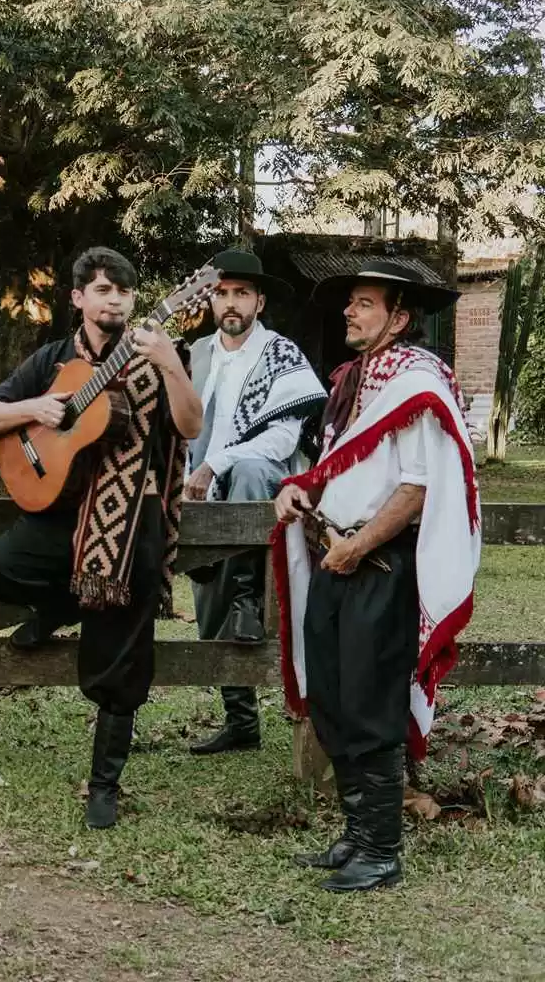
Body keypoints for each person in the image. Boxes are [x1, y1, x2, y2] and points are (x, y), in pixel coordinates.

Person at [0, 247, 201, 829]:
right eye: (103, 290)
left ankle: (104, 783)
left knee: (121, 651)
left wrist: (173, 363)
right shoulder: (53, 359)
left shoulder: (158, 357)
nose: (115, 300)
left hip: (131, 517)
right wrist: (40, 408)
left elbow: (191, 425)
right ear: (78, 298)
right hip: (60, 511)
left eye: (123, 291)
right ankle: (57, 605)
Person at [274, 260, 479, 892]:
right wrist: (297, 490)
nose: (349, 312)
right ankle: (357, 834)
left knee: (370, 705)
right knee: (333, 699)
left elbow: (419, 486)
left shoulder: (416, 381)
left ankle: (382, 848)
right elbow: (339, 469)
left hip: (379, 566)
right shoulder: (351, 382)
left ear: (399, 317)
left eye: (364, 303)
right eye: (351, 303)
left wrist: (358, 546)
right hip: (336, 554)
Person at [184, 251, 325, 755]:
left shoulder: (281, 354)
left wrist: (215, 465)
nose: (231, 302)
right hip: (199, 495)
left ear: (259, 301)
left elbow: (281, 442)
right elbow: (179, 432)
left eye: (242, 293)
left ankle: (250, 597)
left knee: (245, 468)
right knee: (209, 613)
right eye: (222, 292)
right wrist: (186, 477)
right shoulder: (196, 354)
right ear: (210, 300)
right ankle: (241, 722)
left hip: (263, 489)